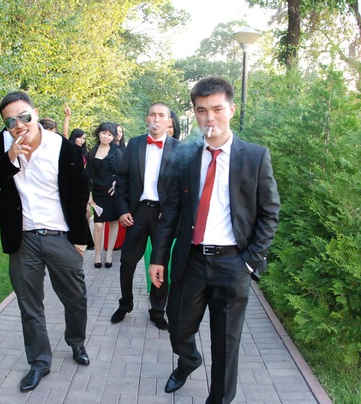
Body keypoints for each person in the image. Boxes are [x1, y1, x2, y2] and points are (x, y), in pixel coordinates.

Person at [149, 76, 280, 403]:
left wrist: (249, 261)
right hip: (191, 260)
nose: (210, 118)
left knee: (225, 343)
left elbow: (269, 213)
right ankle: (189, 360)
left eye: (217, 109)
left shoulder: (254, 157)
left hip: (233, 264)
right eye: (201, 110)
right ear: (194, 113)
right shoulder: (187, 156)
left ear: (231, 110)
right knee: (178, 326)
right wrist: (158, 258)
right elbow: (171, 212)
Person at [0, 91, 91, 393]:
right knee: (29, 305)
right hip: (23, 239)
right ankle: (39, 362)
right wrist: (10, 158)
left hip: (60, 237)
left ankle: (76, 342)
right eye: (10, 121)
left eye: (24, 116)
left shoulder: (62, 147)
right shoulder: (4, 144)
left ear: (35, 113)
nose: (18, 125)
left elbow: (80, 193)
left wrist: (80, 241)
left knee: (75, 298)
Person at [111, 102, 179, 330]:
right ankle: (125, 304)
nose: (156, 119)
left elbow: (181, 188)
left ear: (169, 121)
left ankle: (157, 311)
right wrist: (122, 210)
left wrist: (170, 213)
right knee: (127, 262)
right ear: (147, 119)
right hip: (137, 213)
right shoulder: (135, 144)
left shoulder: (179, 148)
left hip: (162, 216)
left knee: (161, 264)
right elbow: (122, 179)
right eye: (152, 115)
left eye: (161, 115)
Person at [86, 122, 123, 268]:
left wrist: (116, 183)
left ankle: (109, 254)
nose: (106, 136)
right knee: (98, 225)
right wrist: (89, 195)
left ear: (113, 137)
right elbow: (87, 175)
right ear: (98, 133)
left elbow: (123, 173)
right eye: (103, 133)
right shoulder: (92, 152)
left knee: (113, 223)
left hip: (112, 193)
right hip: (97, 192)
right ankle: (97, 254)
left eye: (109, 134)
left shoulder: (117, 152)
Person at [69, 128, 95, 250]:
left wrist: (89, 194)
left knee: (86, 213)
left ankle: (85, 240)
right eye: (79, 137)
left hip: (83, 187)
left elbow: (87, 174)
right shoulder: (68, 150)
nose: (81, 140)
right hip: (72, 187)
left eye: (84, 138)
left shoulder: (85, 153)